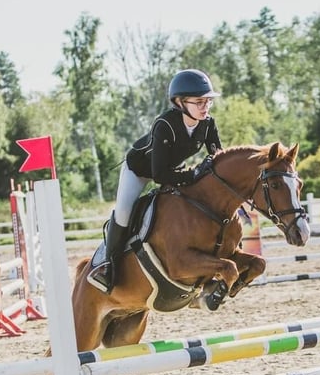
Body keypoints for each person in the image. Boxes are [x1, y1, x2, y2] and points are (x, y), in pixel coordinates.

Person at [87, 68, 222, 294]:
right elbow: (159, 175)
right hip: (139, 170)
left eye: (208, 101)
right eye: (199, 101)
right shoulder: (165, 124)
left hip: (172, 169)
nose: (205, 107)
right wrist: (194, 173)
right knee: (123, 213)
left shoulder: (208, 123)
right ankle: (108, 266)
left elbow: (217, 157)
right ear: (179, 102)